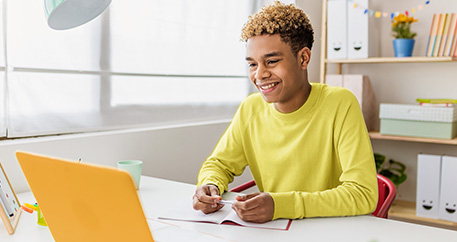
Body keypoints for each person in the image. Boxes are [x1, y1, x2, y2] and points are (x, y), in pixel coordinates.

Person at [192, 1, 378, 223]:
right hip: (273, 231)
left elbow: (363, 194)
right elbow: (219, 164)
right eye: (252, 64)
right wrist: (210, 184)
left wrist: (281, 205)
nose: (259, 75)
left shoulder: (340, 104)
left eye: (271, 61)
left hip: (331, 229)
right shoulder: (251, 108)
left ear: (303, 58)